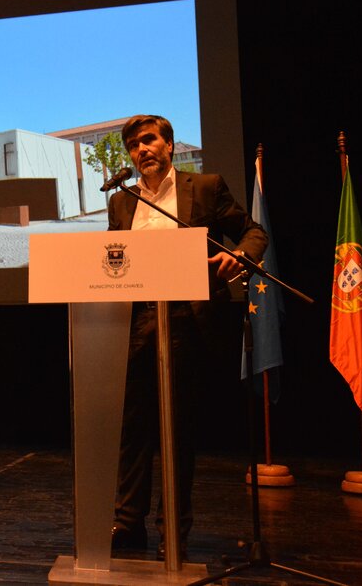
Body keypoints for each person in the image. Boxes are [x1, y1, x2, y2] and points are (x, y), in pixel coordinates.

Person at [107, 114, 268, 559]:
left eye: (149, 140)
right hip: (136, 322)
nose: (141, 150)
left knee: (176, 431)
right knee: (133, 429)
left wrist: (240, 255)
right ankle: (128, 524)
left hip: (185, 322)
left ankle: (173, 530)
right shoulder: (121, 201)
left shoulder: (205, 187)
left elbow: (254, 232)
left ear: (170, 145)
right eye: (134, 145)